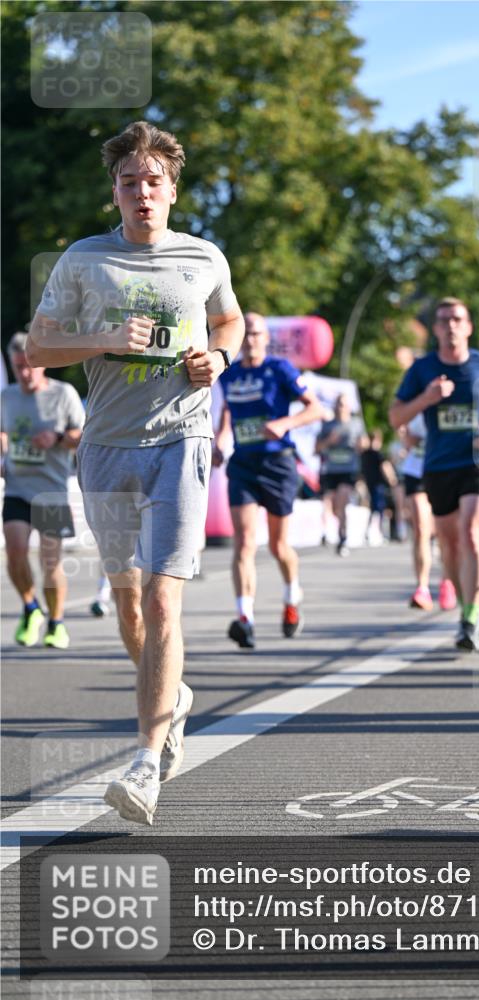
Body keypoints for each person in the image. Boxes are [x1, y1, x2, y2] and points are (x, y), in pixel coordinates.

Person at [27, 120, 245, 825]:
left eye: (154, 182)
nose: (142, 193)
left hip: (182, 440)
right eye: (129, 184)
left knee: (161, 602)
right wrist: (106, 338)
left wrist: (220, 358)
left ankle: (146, 763)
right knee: (127, 607)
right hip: (106, 447)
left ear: (172, 190)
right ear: (114, 193)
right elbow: (39, 346)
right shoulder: (83, 261)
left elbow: (230, 322)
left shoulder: (203, 256)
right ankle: (172, 696)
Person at [389, 297, 479, 652]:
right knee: (448, 544)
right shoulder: (422, 369)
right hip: (438, 465)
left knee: (471, 531)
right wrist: (426, 399)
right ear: (435, 328)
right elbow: (396, 417)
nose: (451, 326)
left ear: (469, 326)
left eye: (457, 319)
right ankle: (465, 607)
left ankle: (471, 614)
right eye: (444, 320)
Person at [213, 312, 323, 649]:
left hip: (277, 462)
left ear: (265, 338)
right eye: (246, 334)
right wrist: (220, 438)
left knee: (278, 546)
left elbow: (316, 409)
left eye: (256, 334)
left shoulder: (280, 370)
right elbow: (229, 408)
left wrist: (284, 424)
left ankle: (292, 597)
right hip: (243, 463)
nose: (250, 340)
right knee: (244, 542)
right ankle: (244, 617)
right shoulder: (229, 374)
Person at [1, 332, 84, 649]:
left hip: (51, 491)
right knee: (15, 552)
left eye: (29, 366)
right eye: (18, 366)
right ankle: (30, 606)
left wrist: (58, 437)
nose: (24, 373)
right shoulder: (7, 397)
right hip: (18, 489)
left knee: (51, 563)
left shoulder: (63, 394)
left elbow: (81, 435)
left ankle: (56, 621)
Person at [401, 412, 457, 611]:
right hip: (417, 470)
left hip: (444, 470)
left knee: (444, 532)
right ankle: (422, 588)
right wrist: (409, 436)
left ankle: (447, 581)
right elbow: (405, 436)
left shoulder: (451, 399)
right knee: (421, 529)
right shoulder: (416, 401)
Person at [316, 394, 364, 556]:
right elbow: (316, 449)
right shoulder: (327, 426)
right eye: (338, 404)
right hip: (330, 470)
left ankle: (342, 537)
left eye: (343, 404)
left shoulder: (356, 424)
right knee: (331, 505)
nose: (340, 407)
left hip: (348, 470)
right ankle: (327, 532)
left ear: (349, 407)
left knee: (342, 502)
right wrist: (329, 441)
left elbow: (363, 445)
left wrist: (361, 445)